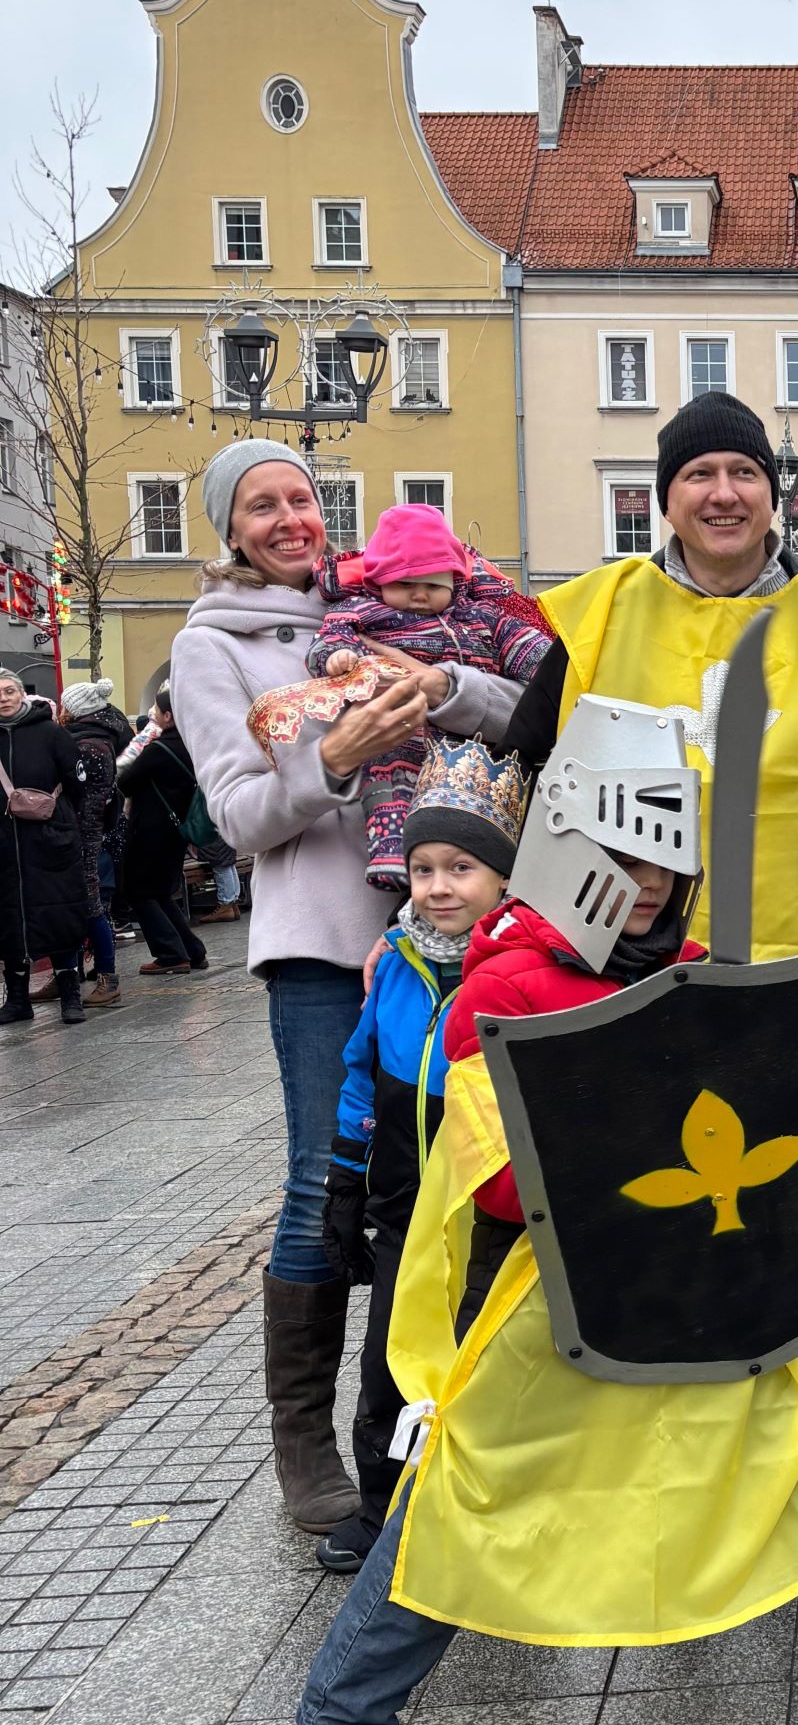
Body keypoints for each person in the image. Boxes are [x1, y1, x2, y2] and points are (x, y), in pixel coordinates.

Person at [286, 700, 798, 1725]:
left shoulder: (695, 973)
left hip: (702, 1280)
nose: (642, 883)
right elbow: (494, 1183)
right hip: (558, 1303)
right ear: (564, 854)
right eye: (616, 858)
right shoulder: (505, 990)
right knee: (468, 1499)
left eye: (660, 862)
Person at [172, 439, 526, 1537]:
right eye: (263, 506)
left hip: (456, 938)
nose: (291, 519)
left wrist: (450, 687)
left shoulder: (393, 594)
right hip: (329, 943)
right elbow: (236, 818)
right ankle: (305, 1447)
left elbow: (527, 708)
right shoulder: (208, 646)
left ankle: (445, 1418)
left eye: (303, 500)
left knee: (468, 1167)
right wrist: (332, 763)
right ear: (230, 528)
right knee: (325, 1173)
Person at [501, 391, 798, 1021]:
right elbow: (520, 778)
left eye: (745, 473)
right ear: (667, 502)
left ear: (770, 495)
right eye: (699, 473)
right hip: (621, 969)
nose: (724, 494)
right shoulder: (602, 620)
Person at [317, 738, 526, 1575]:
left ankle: (490, 1503)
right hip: (406, 1208)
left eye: (462, 868)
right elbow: (361, 1073)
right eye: (425, 867)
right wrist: (344, 1174)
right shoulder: (396, 964)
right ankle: (383, 1505)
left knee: (489, 1363)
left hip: (491, 1211)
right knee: (389, 1360)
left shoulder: (520, 970)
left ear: (505, 877)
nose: (439, 886)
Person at [306, 505, 552, 890]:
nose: (419, 595)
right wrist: (336, 657)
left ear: (454, 583)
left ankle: (492, 865)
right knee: (391, 763)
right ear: (378, 581)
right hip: (403, 724)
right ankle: (393, 847)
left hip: (471, 737)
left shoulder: (479, 615)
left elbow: (522, 643)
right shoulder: (362, 610)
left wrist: (547, 661)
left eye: (434, 585)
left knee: (483, 791)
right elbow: (330, 640)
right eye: (404, 584)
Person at [0, 669, 90, 1027]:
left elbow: (78, 784)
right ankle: (18, 999)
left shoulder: (52, 733)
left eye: (9, 691)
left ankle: (70, 996)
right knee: (9, 922)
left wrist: (62, 825)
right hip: (5, 847)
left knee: (59, 917)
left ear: (22, 694)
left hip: (49, 842)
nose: (3, 698)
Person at [117, 688, 212, 978]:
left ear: (168, 716)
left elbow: (126, 781)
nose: (152, 716)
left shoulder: (159, 749)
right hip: (177, 829)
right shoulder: (193, 744)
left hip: (151, 832)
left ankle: (170, 954)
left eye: (157, 712)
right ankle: (193, 950)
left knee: (139, 891)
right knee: (159, 892)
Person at [58, 679, 130, 1008]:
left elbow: (89, 798)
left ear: (77, 710)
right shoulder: (91, 738)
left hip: (83, 834)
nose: (60, 712)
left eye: (65, 706)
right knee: (72, 903)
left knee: (90, 904)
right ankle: (67, 974)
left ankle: (107, 978)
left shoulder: (90, 745)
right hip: (81, 832)